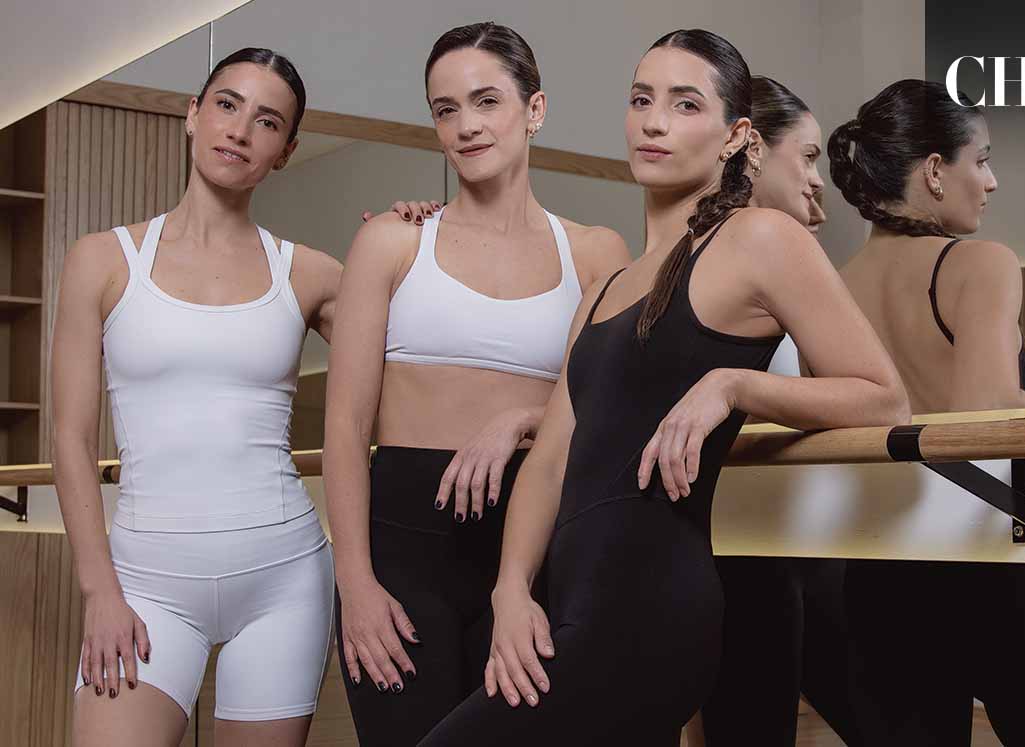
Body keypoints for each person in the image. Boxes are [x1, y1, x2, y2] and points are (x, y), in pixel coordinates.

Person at [416, 28, 908, 746]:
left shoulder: (759, 239)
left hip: (650, 613)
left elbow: (882, 395)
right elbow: (551, 462)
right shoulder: (606, 289)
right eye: (642, 100)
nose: (653, 122)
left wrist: (733, 385)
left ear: (735, 135)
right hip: (566, 605)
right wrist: (511, 590)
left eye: (685, 104)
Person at [322, 22, 631, 746]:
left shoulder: (595, 253)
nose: (465, 126)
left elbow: (605, 412)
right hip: (402, 557)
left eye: (486, 101)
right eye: (446, 109)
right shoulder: (392, 242)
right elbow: (344, 428)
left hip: (537, 551)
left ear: (535, 109)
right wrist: (355, 585)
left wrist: (522, 418)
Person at [52, 48, 341, 746]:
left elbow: (418, 356)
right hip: (144, 582)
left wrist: (419, 231)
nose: (239, 129)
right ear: (193, 113)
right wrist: (99, 590)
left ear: (285, 150)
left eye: (267, 121)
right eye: (226, 104)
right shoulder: (102, 259)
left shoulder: (311, 273)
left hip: (283, 579)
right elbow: (70, 437)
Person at [830, 78, 1025, 746]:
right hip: (997, 565)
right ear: (933, 171)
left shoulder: (830, 288)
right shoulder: (980, 264)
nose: (991, 181)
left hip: (881, 571)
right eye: (981, 160)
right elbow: (982, 415)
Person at [696, 74, 861, 747]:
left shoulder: (773, 260)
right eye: (809, 156)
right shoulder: (720, 262)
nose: (819, 181)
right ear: (755, 149)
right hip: (742, 552)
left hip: (786, 545)